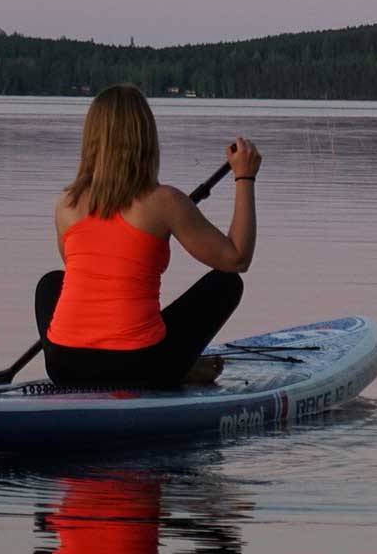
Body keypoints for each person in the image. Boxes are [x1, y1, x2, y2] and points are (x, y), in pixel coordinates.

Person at [34, 84, 260, 387]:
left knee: (52, 282)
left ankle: (179, 366)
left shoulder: (66, 204)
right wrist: (244, 176)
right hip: (137, 367)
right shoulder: (164, 201)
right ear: (145, 139)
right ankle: (179, 369)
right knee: (226, 283)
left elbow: (87, 275)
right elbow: (237, 258)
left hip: (64, 365)